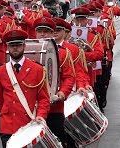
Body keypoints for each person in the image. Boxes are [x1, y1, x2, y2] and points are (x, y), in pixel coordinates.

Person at [0, 29, 50, 148]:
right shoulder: (0, 71)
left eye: (18, 45)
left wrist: (41, 115)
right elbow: (0, 98)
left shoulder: (37, 69)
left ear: (24, 46)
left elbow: (43, 98)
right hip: (7, 125)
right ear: (7, 47)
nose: (15, 48)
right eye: (12, 45)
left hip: (29, 123)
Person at [34, 17, 75, 146]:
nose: (42, 34)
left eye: (46, 31)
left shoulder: (63, 53)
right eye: (39, 31)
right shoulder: (27, 51)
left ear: (52, 33)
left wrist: (62, 93)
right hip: (32, 108)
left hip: (55, 107)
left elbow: (69, 77)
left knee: (57, 140)